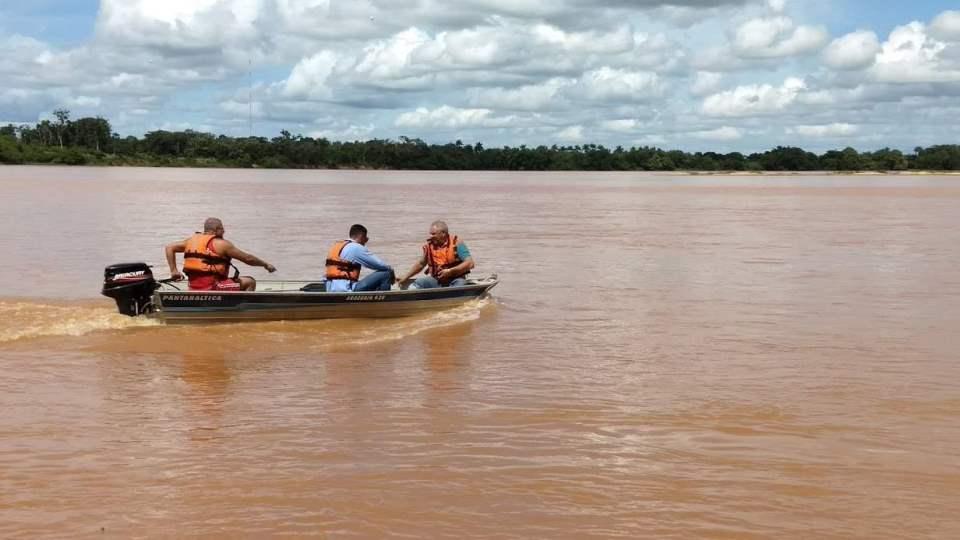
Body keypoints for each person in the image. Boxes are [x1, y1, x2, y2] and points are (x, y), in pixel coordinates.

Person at [165, 217, 276, 291]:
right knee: (249, 281)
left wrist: (174, 271)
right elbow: (248, 259)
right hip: (213, 287)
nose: (224, 232)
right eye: (222, 229)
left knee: (234, 281)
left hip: (193, 287)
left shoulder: (190, 241)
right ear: (217, 229)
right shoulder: (222, 244)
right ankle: (241, 313)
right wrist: (266, 264)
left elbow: (169, 247)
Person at [396, 220, 474, 289]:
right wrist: (405, 277)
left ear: (443, 234)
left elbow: (470, 263)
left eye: (433, 234)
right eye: (430, 234)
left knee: (459, 285)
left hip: (456, 279)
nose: (431, 236)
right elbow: (421, 264)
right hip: (437, 280)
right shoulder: (429, 246)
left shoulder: (457, 243)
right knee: (418, 283)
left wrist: (450, 271)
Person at [325, 224, 395, 292]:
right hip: (346, 289)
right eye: (366, 239)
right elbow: (379, 265)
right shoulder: (356, 247)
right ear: (361, 236)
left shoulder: (337, 245)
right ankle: (383, 301)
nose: (366, 242)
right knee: (386, 273)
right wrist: (391, 271)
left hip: (330, 289)